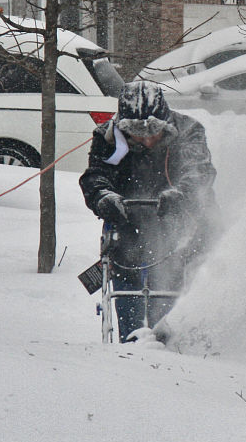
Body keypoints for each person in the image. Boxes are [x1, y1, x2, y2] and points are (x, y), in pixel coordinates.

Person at [80, 81, 216, 342]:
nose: (146, 139)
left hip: (184, 222)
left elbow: (199, 171)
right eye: (136, 133)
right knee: (126, 283)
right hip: (129, 223)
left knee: (175, 286)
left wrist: (181, 195)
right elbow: (96, 176)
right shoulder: (108, 138)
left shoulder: (188, 131)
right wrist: (103, 196)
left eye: (153, 130)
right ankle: (130, 345)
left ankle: (173, 344)